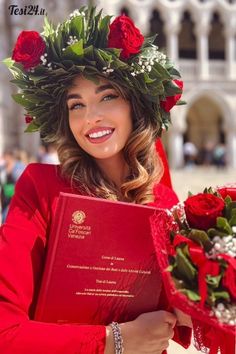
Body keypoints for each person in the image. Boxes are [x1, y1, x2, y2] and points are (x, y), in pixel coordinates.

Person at [1, 6, 191, 353]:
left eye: (107, 96)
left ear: (135, 104)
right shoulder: (42, 189)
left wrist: (200, 303)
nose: (91, 118)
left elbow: (174, 315)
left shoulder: (163, 202)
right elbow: (5, 332)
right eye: (76, 105)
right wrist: (114, 341)